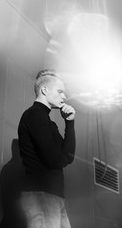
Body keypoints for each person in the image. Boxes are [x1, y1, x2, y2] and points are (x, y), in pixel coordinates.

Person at [18, 69, 76, 228]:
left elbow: (68, 157)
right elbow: (55, 160)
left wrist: (69, 123)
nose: (64, 96)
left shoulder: (49, 123)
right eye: (60, 91)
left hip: (54, 196)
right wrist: (61, 158)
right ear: (44, 90)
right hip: (41, 195)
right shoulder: (34, 115)